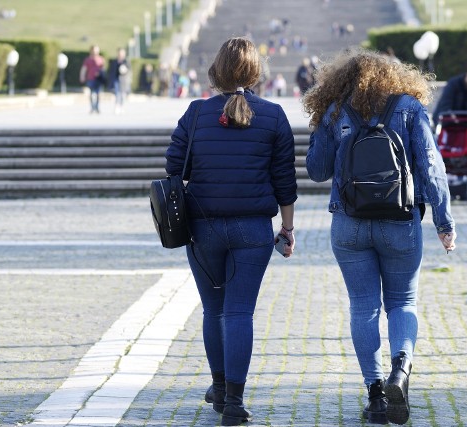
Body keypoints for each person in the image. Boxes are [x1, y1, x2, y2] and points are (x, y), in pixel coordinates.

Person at [302, 48, 456, 425]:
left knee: (363, 307)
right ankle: (400, 371)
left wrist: (322, 127)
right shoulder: (408, 107)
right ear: (396, 76)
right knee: (403, 302)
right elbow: (431, 167)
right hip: (401, 221)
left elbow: (317, 170)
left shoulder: (336, 110)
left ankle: (374, 395)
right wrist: (444, 222)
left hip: (350, 223)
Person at [164, 37, 297, 426]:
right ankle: (234, 402)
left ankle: (219, 387)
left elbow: (175, 168)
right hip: (253, 229)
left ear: (215, 71)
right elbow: (284, 182)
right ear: (256, 72)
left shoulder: (195, 113)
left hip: (202, 228)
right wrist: (287, 229)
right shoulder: (273, 115)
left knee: (213, 310)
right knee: (240, 312)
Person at [79, 45, 105, 114]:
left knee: (98, 94)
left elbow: (103, 69)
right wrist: (82, 76)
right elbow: (84, 69)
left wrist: (101, 74)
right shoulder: (88, 60)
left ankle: (97, 107)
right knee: (92, 93)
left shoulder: (101, 59)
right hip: (91, 79)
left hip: (98, 80)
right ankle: (92, 107)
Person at [108, 48, 130, 114]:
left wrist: (124, 70)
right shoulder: (114, 61)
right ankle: (117, 106)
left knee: (122, 94)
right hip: (116, 79)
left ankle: (121, 106)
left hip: (123, 80)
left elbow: (129, 70)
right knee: (117, 93)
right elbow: (111, 71)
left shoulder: (126, 61)